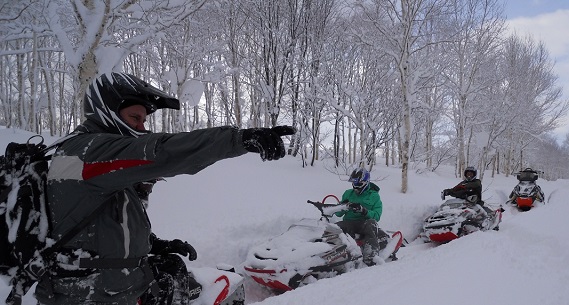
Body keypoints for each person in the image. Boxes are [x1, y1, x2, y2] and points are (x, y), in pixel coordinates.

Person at [33, 72, 295, 305]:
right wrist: (238, 140)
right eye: (135, 117)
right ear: (107, 112)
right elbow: (161, 153)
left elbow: (100, 222)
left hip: (110, 286)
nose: (141, 127)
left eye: (143, 120)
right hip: (90, 295)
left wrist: (153, 244)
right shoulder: (87, 153)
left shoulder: (93, 155)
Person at [334, 168, 383, 266]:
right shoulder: (348, 193)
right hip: (349, 223)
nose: (355, 187)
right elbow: (338, 214)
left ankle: (371, 256)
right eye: (354, 184)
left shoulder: (374, 196)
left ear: (366, 183)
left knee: (371, 224)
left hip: (364, 223)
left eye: (358, 184)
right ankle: (328, 251)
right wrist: (342, 206)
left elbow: (377, 215)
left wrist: (364, 211)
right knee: (334, 228)